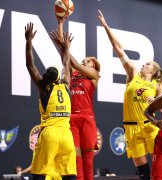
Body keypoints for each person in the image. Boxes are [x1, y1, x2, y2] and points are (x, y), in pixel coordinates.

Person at [98, 10, 162, 180]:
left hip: (149, 125)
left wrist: (156, 102)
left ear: (154, 70)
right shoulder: (133, 74)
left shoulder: (157, 84)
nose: (144, 64)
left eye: (148, 64)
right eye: (145, 63)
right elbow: (119, 49)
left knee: (161, 167)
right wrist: (106, 27)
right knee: (143, 172)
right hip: (131, 128)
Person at [24, 22, 76, 180]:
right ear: (58, 77)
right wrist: (66, 47)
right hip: (67, 136)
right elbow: (66, 64)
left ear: (45, 78)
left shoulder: (44, 88)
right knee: (69, 175)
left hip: (49, 135)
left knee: (38, 173)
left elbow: (30, 65)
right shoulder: (65, 85)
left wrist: (29, 41)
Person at [55, 16, 101, 180]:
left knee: (88, 162)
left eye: (88, 61)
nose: (84, 62)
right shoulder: (72, 74)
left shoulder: (94, 76)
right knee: (76, 160)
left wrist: (67, 48)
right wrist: (60, 24)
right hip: (72, 118)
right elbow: (65, 55)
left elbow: (72, 59)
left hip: (87, 118)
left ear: (93, 67)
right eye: (84, 60)